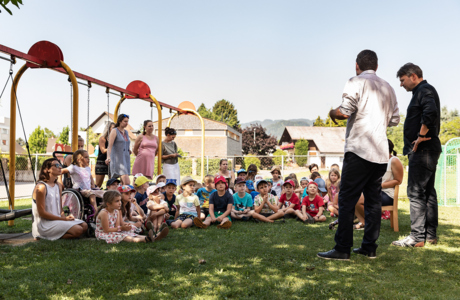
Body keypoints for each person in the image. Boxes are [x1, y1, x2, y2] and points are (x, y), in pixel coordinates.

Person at [318, 50, 400, 261]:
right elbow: (395, 120)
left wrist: (331, 113)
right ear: (377, 66)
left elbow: (345, 112)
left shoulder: (355, 81)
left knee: (346, 199)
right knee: (373, 202)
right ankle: (369, 247)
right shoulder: (388, 87)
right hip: (381, 154)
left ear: (357, 65)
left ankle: (343, 248)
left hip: (359, 150)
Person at [392, 63, 441, 247]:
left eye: (402, 80)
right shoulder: (422, 91)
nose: (401, 85)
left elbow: (431, 112)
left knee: (415, 192)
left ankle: (417, 237)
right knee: (428, 192)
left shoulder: (424, 89)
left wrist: (420, 136)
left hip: (423, 149)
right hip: (428, 149)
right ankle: (430, 236)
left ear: (413, 76)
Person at [353, 139, 404, 230]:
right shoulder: (378, 161)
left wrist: (380, 185)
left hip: (387, 194)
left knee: (358, 199)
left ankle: (372, 222)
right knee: (353, 196)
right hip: (376, 191)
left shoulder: (394, 160)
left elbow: (398, 180)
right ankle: (364, 222)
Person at [32, 158, 87, 240]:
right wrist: (63, 219)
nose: (60, 167)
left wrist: (65, 219)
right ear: (47, 169)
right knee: (78, 230)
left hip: (57, 220)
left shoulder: (58, 185)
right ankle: (43, 236)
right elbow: (42, 213)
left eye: (60, 165)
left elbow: (60, 209)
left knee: (84, 226)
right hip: (45, 224)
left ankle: (58, 234)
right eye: (56, 165)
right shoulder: (41, 187)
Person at [61, 149, 105, 216]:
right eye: (86, 157)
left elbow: (91, 180)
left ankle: (104, 211)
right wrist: (59, 180)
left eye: (88, 157)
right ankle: (97, 213)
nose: (88, 159)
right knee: (91, 194)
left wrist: (95, 187)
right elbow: (61, 171)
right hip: (79, 190)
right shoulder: (73, 167)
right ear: (79, 160)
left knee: (106, 193)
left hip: (88, 189)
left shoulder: (88, 168)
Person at [106, 114, 132, 185]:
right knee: (127, 182)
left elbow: (125, 143)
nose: (127, 123)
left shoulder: (126, 132)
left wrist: (128, 149)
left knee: (123, 184)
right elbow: (110, 146)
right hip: (118, 160)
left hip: (125, 158)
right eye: (125, 121)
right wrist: (108, 157)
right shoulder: (114, 131)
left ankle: (121, 195)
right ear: (120, 121)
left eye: (127, 121)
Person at [96, 122, 115, 188]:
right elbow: (103, 150)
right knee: (98, 184)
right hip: (102, 161)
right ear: (109, 129)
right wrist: (111, 147)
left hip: (111, 161)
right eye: (113, 128)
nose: (114, 130)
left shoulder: (115, 139)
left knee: (112, 182)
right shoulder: (103, 138)